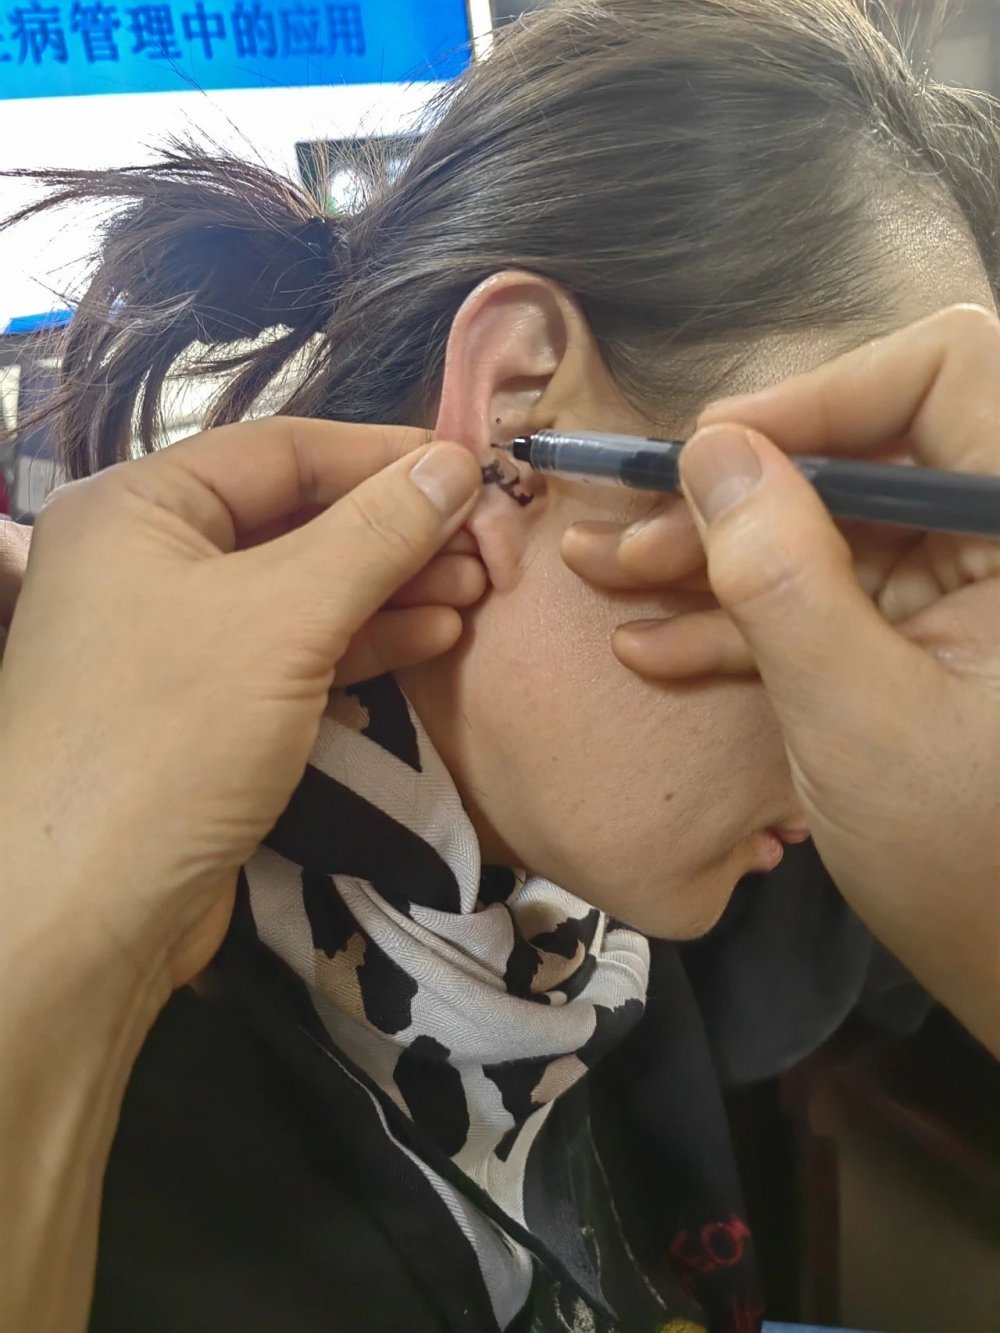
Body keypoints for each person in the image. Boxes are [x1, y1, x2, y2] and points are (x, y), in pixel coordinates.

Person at [1, 1, 998, 1330]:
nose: (872, 702)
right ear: (523, 416)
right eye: (847, 556)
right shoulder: (131, 1078)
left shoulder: (629, 858)